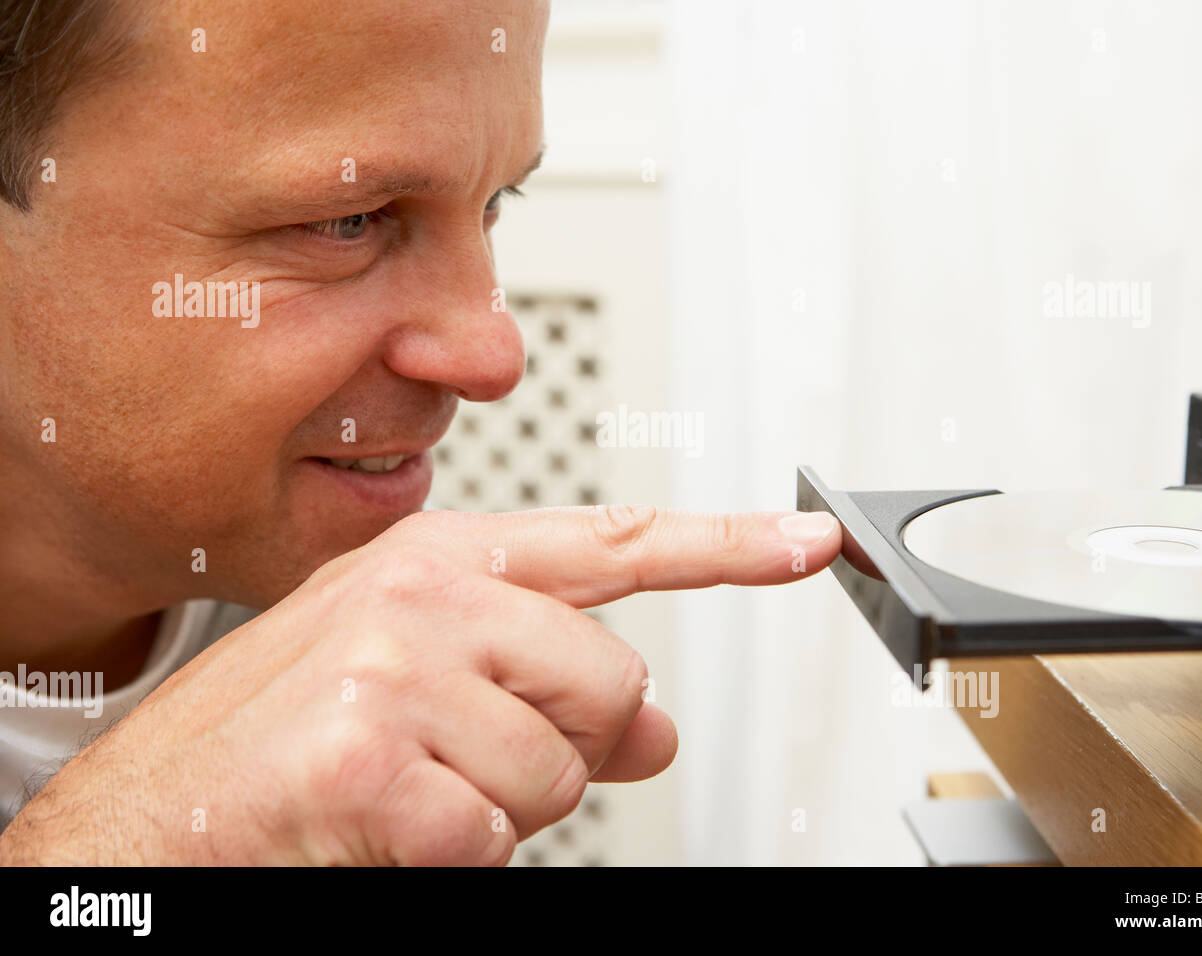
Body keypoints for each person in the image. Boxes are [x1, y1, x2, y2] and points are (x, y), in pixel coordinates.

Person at [0, 0, 841, 864]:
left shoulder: (368, 629)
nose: (494, 357)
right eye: (345, 221)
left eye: (495, 202)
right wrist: (104, 844)